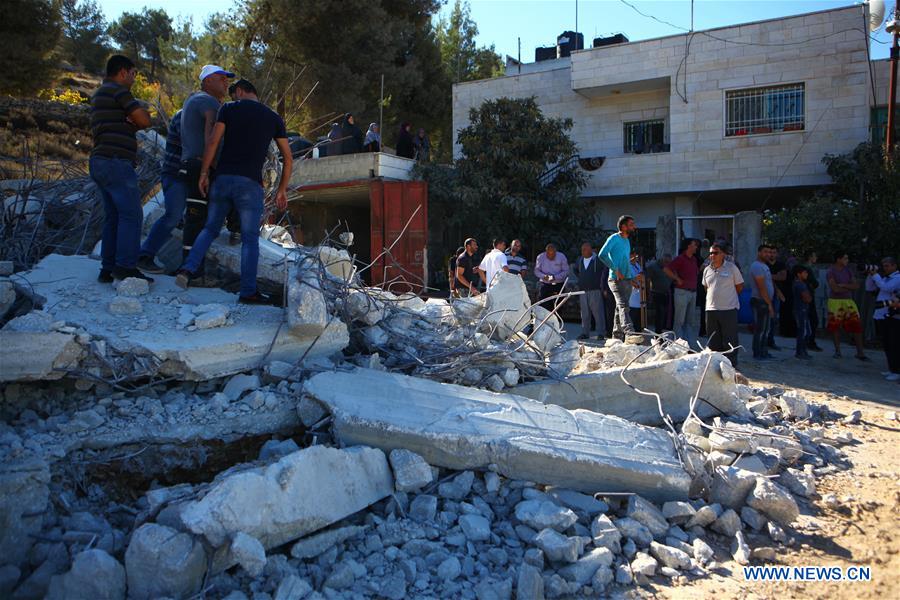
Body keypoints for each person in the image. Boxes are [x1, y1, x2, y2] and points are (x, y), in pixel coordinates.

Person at [175, 79, 292, 304]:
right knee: (249, 239)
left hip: (223, 179)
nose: (231, 98)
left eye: (233, 94)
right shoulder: (273, 118)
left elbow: (212, 143)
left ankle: (187, 269)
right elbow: (287, 157)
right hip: (250, 184)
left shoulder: (228, 109)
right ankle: (248, 291)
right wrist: (282, 189)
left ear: (239, 91)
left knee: (209, 228)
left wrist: (203, 173)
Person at [89, 55, 153, 283]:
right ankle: (126, 267)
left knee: (113, 217)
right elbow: (144, 120)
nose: (134, 79)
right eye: (134, 74)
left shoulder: (99, 94)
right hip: (116, 161)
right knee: (132, 214)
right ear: (123, 72)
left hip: (100, 161)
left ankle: (107, 269)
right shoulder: (118, 91)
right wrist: (135, 117)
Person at [176, 64, 234, 275]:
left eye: (227, 79)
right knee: (197, 219)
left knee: (196, 218)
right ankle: (193, 273)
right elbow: (212, 135)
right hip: (201, 165)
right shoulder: (208, 102)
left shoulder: (193, 100)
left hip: (192, 163)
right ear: (208, 80)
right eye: (221, 78)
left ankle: (189, 267)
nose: (226, 82)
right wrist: (209, 168)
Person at [136, 109, 186, 273]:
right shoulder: (185, 116)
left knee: (176, 217)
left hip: (178, 175)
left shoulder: (186, 114)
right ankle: (144, 255)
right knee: (173, 216)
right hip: (176, 175)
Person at [702, 242, 743, 367]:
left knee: (730, 339)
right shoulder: (707, 269)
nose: (712, 256)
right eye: (710, 253)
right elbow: (706, 287)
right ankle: (715, 365)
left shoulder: (732, 268)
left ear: (723, 254)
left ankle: (731, 366)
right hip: (711, 309)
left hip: (729, 309)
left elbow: (739, 286)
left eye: (715, 253)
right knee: (713, 339)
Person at [598, 215, 638, 341]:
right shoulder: (614, 238)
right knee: (623, 305)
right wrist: (615, 269)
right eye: (631, 224)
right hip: (615, 279)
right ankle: (629, 332)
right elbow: (602, 255)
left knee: (618, 308)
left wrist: (631, 278)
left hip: (626, 280)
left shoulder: (627, 241)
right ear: (623, 226)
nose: (634, 227)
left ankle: (616, 337)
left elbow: (625, 261)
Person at [826, 252, 869, 360]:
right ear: (838, 259)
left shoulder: (848, 271)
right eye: (845, 258)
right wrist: (849, 287)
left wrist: (844, 285)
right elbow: (835, 288)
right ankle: (838, 351)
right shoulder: (831, 271)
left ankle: (860, 353)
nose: (847, 260)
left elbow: (856, 286)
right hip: (835, 302)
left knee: (856, 325)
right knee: (835, 327)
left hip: (848, 301)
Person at [665, 238, 700, 348]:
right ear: (688, 246)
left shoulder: (694, 259)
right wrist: (677, 279)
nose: (696, 247)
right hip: (682, 292)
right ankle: (678, 345)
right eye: (694, 245)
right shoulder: (680, 259)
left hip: (692, 292)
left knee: (690, 321)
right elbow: (666, 269)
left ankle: (688, 345)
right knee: (679, 320)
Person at [870, 257, 900, 380]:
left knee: (894, 344)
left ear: (894, 266)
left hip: (895, 315)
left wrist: (876, 275)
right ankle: (892, 368)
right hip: (884, 314)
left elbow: (886, 288)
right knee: (887, 343)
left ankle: (897, 371)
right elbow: (870, 288)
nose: (885, 268)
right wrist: (871, 275)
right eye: (884, 266)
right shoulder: (885, 278)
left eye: (887, 266)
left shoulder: (897, 278)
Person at [572, 242, 606, 340]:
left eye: (585, 249)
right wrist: (582, 278)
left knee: (598, 313)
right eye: (582, 249)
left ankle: (601, 333)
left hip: (595, 290)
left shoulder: (598, 260)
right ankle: (585, 333)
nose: (583, 251)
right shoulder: (580, 260)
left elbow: (604, 272)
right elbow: (575, 270)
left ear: (591, 250)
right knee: (584, 313)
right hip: (583, 291)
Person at [749, 244, 776, 361]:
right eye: (765, 252)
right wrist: (769, 304)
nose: (768, 254)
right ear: (759, 253)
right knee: (760, 329)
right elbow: (761, 287)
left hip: (765, 301)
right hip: (760, 301)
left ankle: (764, 351)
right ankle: (757, 352)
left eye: (770, 252)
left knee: (766, 329)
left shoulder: (764, 266)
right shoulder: (757, 266)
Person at [798, 251, 823, 351]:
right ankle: (809, 342)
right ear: (810, 257)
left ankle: (807, 342)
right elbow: (815, 283)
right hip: (807, 296)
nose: (816, 257)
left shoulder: (806, 268)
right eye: (814, 255)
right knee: (812, 321)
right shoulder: (807, 269)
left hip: (806, 296)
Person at [645, 253, 673, 333]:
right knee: (659, 314)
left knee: (664, 315)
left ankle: (662, 332)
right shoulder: (653, 267)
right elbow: (648, 280)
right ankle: (658, 334)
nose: (667, 264)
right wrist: (649, 293)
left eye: (669, 262)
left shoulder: (668, 267)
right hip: (656, 293)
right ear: (662, 260)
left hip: (666, 293)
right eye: (666, 262)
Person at [767, 247, 788, 349]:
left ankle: (771, 340)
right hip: (765, 294)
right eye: (770, 252)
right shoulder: (764, 264)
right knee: (765, 319)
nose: (772, 254)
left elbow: (783, 277)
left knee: (774, 319)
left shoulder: (781, 264)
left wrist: (769, 275)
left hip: (777, 295)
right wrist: (775, 275)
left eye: (774, 252)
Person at [792, 265, 813, 360]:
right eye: (804, 272)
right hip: (801, 310)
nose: (806, 274)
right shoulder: (800, 285)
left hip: (801, 310)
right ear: (799, 274)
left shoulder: (798, 284)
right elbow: (807, 298)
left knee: (804, 331)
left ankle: (802, 351)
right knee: (804, 332)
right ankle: (800, 352)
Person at [628, 251, 644, 331]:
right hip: (631, 297)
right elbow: (626, 279)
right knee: (632, 318)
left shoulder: (637, 265)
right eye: (633, 255)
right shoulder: (626, 266)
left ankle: (639, 335)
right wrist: (635, 279)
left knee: (639, 320)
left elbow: (641, 276)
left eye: (636, 255)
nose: (635, 257)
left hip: (640, 296)